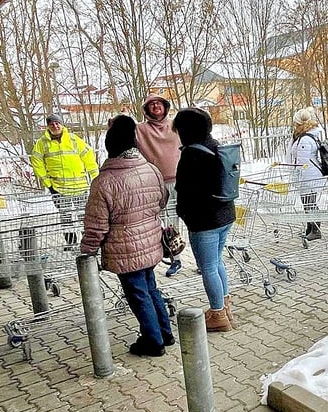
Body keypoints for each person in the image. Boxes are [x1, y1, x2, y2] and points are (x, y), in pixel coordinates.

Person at [81, 115, 174, 357]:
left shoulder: (104, 182)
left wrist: (87, 250)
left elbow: (96, 226)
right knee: (150, 288)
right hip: (151, 242)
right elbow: (162, 201)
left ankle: (153, 341)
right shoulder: (151, 169)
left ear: (109, 148)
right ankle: (166, 333)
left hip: (125, 250)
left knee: (138, 294)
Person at [173, 108, 237, 331]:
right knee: (217, 262)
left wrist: (184, 215)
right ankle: (224, 306)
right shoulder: (216, 146)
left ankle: (218, 315)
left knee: (208, 267)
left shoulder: (192, 154)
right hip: (225, 214)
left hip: (204, 220)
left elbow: (184, 189)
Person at [30, 113, 99, 246]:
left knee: (84, 216)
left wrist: (96, 178)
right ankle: (71, 243)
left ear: (62, 124)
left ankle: (88, 242)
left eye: (57, 123)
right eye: (51, 124)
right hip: (59, 188)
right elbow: (36, 161)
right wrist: (48, 184)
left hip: (80, 187)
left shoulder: (73, 139)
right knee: (65, 217)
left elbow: (88, 156)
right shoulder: (42, 143)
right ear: (48, 126)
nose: (55, 126)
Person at [136, 94, 183, 277]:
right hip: (157, 183)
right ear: (146, 110)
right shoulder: (140, 130)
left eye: (159, 103)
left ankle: (202, 261)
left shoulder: (176, 125)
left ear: (165, 106)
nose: (155, 106)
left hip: (181, 180)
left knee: (191, 221)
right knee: (169, 224)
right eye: (151, 104)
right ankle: (176, 260)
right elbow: (119, 128)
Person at [287, 107, 326, 241]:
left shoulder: (305, 139)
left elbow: (302, 162)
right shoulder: (305, 136)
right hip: (308, 175)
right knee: (307, 203)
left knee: (310, 202)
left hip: (309, 176)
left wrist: (297, 176)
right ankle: (310, 227)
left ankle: (315, 229)